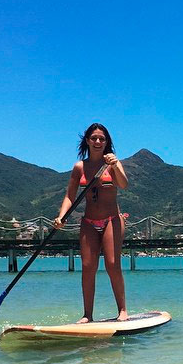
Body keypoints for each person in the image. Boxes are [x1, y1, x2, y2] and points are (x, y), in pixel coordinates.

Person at [55, 123, 129, 323]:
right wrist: (62, 216)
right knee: (88, 267)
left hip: (112, 220)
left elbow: (124, 184)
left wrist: (114, 165)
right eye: (94, 138)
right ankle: (87, 314)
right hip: (88, 221)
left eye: (102, 139)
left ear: (107, 142)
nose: (98, 142)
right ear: (87, 140)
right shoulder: (80, 167)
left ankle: (122, 310)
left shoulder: (113, 163)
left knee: (113, 264)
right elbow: (70, 196)